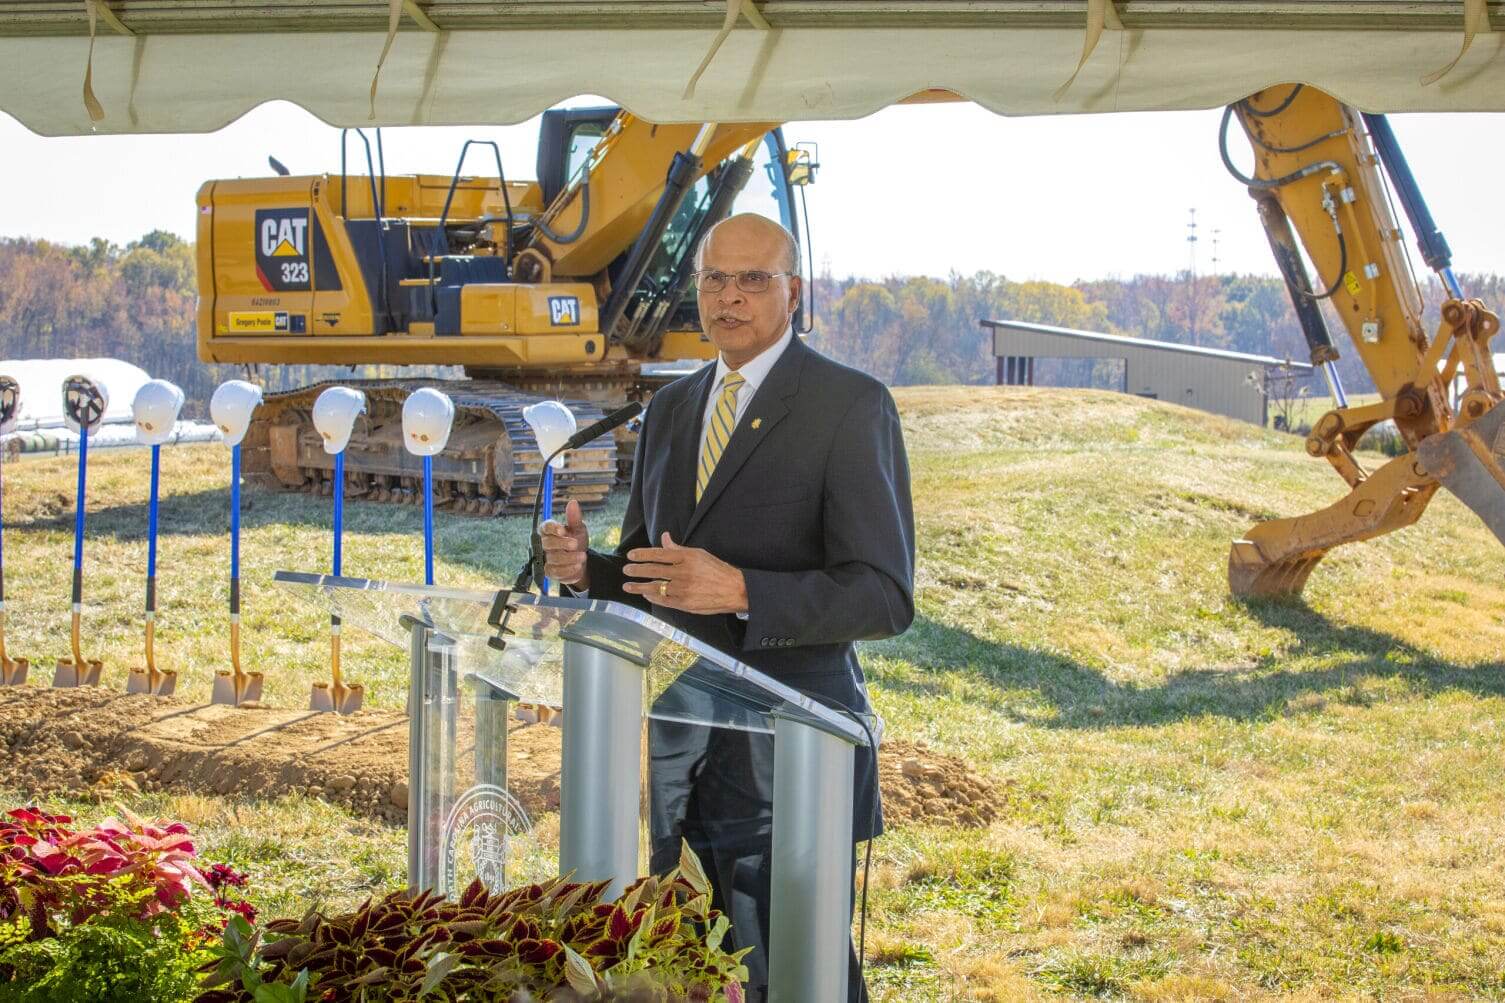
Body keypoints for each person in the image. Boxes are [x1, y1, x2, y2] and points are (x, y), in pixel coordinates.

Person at [540, 212, 914, 1002]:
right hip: (685, 745)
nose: (729, 296)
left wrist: (744, 589)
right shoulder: (673, 409)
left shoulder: (850, 405)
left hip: (794, 748)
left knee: (798, 968)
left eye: (753, 279)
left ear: (793, 292)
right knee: (699, 964)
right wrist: (585, 572)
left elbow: (883, 595)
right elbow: (651, 572)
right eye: (714, 278)